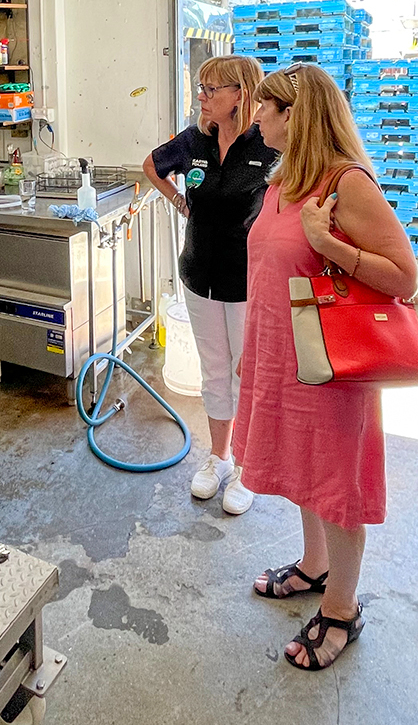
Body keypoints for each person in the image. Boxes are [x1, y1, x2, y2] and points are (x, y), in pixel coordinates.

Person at [236, 62, 418, 671]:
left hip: (329, 364)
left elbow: (402, 278)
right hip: (278, 357)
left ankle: (342, 609)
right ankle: (315, 568)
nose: (256, 114)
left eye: (266, 106)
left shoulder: (346, 184)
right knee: (302, 466)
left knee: (338, 483)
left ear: (296, 115)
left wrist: (330, 241)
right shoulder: (281, 180)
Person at [143, 56, 275, 515]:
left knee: (248, 374)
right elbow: (151, 165)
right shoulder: (194, 140)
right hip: (199, 275)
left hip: (249, 283)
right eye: (199, 86)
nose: (201, 94)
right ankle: (220, 457)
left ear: (240, 93)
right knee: (215, 370)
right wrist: (180, 200)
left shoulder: (268, 143)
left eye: (211, 87)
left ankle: (248, 467)